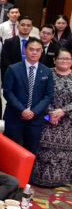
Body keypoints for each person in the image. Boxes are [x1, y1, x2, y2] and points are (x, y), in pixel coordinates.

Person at [3, 37, 54, 154]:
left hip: (35, 119)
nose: (34, 52)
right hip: (14, 117)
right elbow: (8, 92)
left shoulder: (47, 71)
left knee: (31, 153)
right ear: (25, 50)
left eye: (38, 50)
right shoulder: (13, 69)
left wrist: (33, 112)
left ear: (41, 52)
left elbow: (48, 95)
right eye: (31, 49)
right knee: (10, 152)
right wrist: (22, 110)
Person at [31, 49, 72, 187]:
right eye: (61, 58)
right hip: (46, 119)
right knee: (43, 151)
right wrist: (50, 114)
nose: (64, 61)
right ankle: (39, 179)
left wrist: (63, 111)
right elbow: (38, 95)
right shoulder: (46, 74)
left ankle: (61, 180)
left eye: (67, 59)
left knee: (64, 154)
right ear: (54, 60)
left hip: (67, 121)